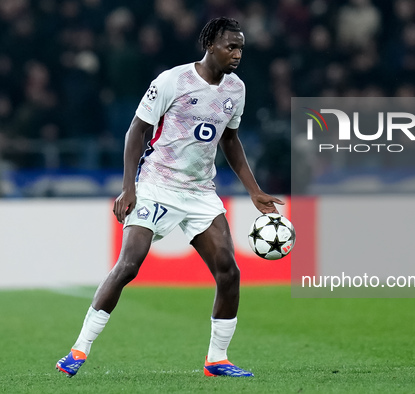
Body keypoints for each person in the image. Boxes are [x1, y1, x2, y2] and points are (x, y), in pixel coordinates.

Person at [56, 17, 283, 378]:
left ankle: (217, 360)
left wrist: (253, 190)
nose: (237, 54)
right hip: (156, 185)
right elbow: (137, 131)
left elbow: (230, 139)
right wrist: (129, 187)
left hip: (199, 191)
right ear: (210, 45)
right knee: (129, 265)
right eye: (231, 46)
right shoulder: (172, 80)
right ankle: (78, 350)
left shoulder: (236, 89)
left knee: (229, 271)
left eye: (241, 48)